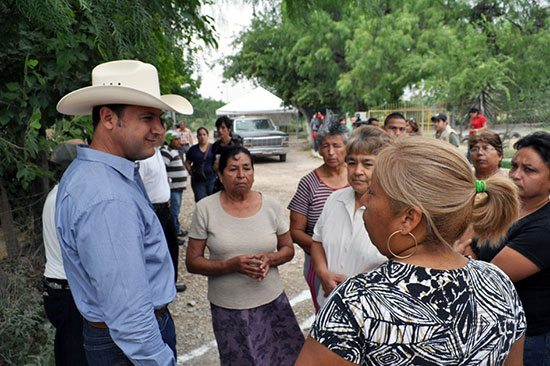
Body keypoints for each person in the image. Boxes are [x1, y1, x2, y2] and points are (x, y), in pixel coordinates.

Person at [296, 137, 525, 366]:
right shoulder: (498, 282)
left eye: (373, 193)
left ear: (409, 218)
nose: (364, 200)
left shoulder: (358, 301)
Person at [55, 60, 193, 365]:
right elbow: (129, 314)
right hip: (127, 348)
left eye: (159, 118)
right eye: (147, 118)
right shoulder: (107, 196)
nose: (159, 130)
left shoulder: (105, 176)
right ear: (107, 118)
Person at [186, 145, 305, 365]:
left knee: (281, 358)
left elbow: (288, 249)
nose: (241, 175)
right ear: (220, 175)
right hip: (228, 309)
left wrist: (270, 259)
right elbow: (192, 262)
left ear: (253, 172)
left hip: (272, 303)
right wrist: (230, 265)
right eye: (233, 169)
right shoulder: (205, 209)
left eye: (246, 168)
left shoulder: (271, 206)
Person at [467, 132, 550, 365]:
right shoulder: (511, 210)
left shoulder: (545, 227)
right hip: (502, 329)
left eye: (529, 170)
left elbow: (490, 278)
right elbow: (470, 243)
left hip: (530, 339)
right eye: (514, 166)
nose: (515, 175)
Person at [310, 126, 388, 309]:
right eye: (352, 163)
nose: (358, 171)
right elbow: (317, 241)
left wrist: (357, 288)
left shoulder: (393, 211)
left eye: (367, 164)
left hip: (370, 313)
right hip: (329, 306)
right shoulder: (334, 200)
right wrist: (323, 273)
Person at [288, 120, 349, 312]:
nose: (331, 152)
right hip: (318, 265)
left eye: (336, 146)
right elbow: (296, 231)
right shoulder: (308, 183)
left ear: (347, 148)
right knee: (327, 315)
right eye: (325, 146)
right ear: (319, 150)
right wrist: (323, 252)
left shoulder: (358, 177)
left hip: (356, 260)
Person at [43, 140, 88, 366]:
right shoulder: (67, 199)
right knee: (76, 356)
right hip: (67, 289)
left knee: (68, 352)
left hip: (59, 287)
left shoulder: (58, 194)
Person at [161, 130, 189, 239]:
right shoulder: (166, 151)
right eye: (176, 139)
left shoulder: (173, 151)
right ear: (170, 141)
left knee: (176, 209)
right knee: (174, 210)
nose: (179, 141)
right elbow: (163, 168)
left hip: (177, 187)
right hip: (173, 188)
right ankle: (174, 234)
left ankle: (177, 229)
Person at [185, 126, 216, 202]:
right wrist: (190, 171)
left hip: (212, 179)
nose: (202, 137)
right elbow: (187, 162)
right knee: (201, 202)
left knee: (213, 201)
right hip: (198, 181)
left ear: (207, 136)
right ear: (197, 137)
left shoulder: (214, 147)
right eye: (200, 135)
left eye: (204, 134)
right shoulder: (193, 149)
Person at [212, 116, 241, 192]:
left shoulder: (235, 144)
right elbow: (213, 166)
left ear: (229, 128)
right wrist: (215, 166)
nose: (220, 131)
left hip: (234, 181)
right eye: (218, 128)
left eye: (223, 128)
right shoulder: (216, 146)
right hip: (220, 182)